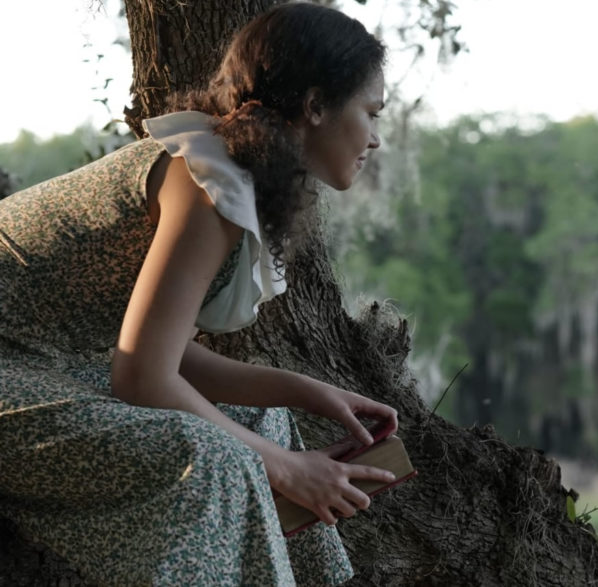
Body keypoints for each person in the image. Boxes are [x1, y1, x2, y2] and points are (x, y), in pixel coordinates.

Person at [0, 3, 399, 585]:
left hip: (50, 363)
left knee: (261, 420)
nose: (378, 138)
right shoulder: (203, 181)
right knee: (213, 457)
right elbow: (142, 378)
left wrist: (305, 390)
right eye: (371, 112)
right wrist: (287, 470)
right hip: (15, 366)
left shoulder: (231, 177)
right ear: (315, 107)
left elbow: (166, 354)